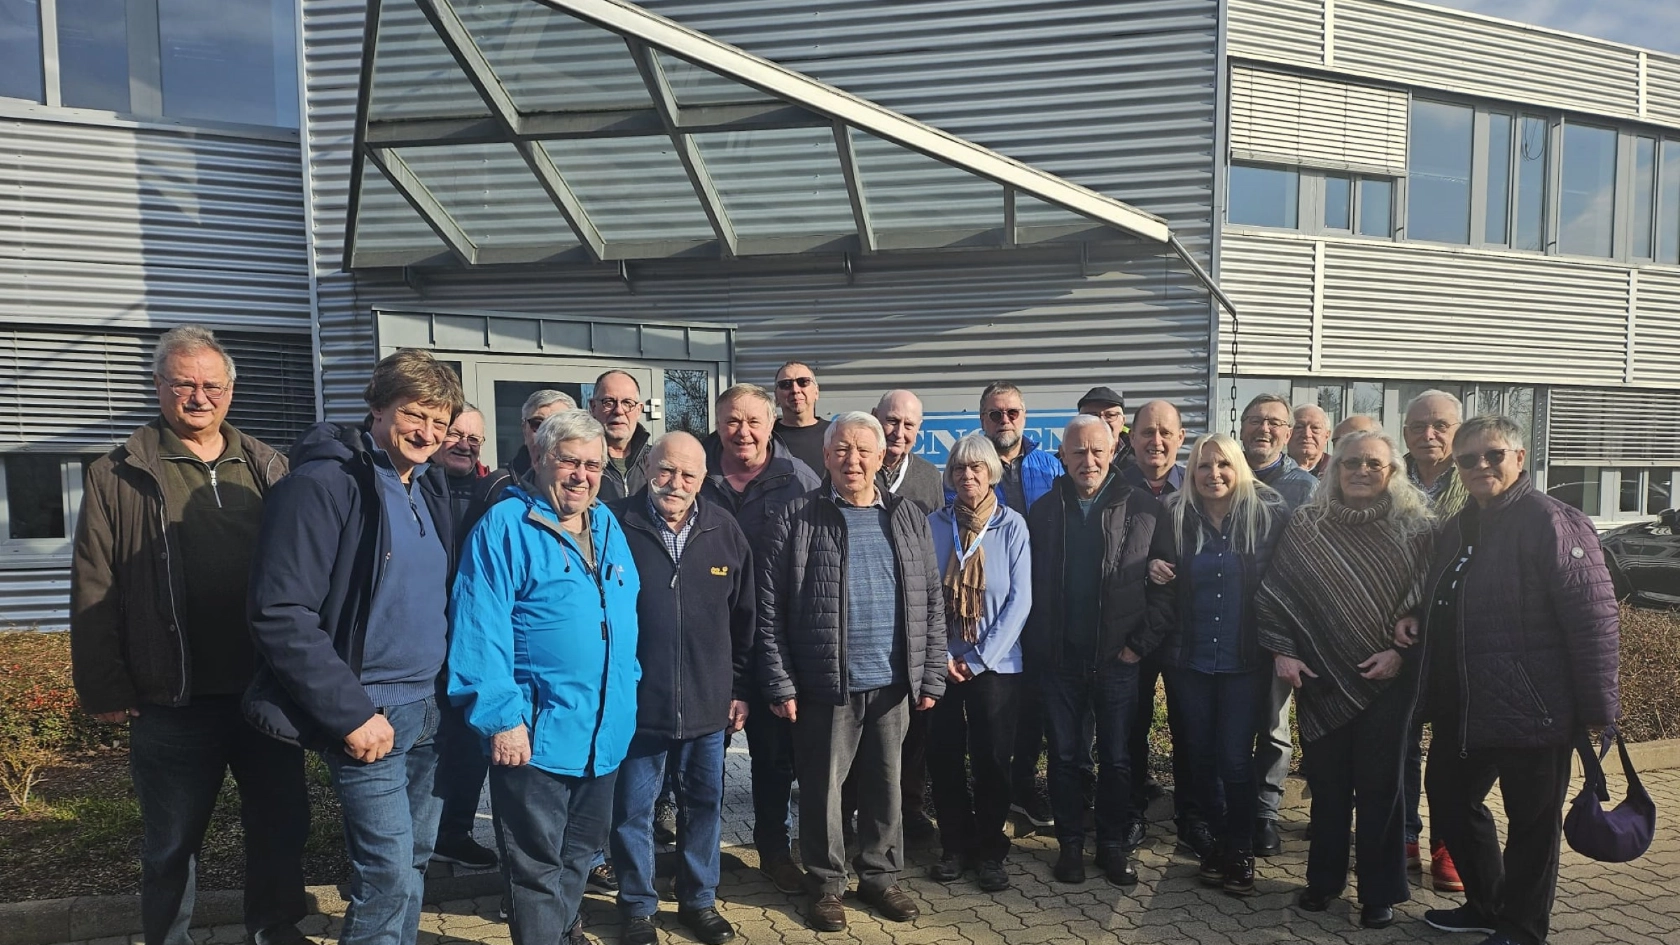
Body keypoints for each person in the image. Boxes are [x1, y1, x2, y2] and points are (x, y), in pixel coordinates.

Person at [70, 325, 308, 945]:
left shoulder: (267, 464)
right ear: (159, 387)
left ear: (230, 391)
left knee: (280, 825)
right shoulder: (116, 474)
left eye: (211, 385)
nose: (198, 397)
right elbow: (95, 582)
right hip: (173, 696)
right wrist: (103, 685)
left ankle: (274, 929)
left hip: (265, 691)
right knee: (173, 841)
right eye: (184, 384)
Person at [245, 349, 464, 945]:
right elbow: (281, 613)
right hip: (369, 712)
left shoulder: (427, 487)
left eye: (440, 422)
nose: (427, 432)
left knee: (415, 858)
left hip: (428, 709)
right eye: (414, 414)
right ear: (376, 408)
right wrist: (352, 713)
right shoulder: (323, 485)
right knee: (388, 872)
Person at [1406, 415, 1619, 945]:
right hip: (1464, 704)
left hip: (1536, 706)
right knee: (1451, 802)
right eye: (1468, 458)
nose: (1481, 466)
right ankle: (1486, 903)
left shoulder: (1552, 521)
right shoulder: (1459, 526)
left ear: (1520, 458)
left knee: (1532, 826)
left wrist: (1599, 708)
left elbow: (1593, 616)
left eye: (1493, 454)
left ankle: (1523, 928)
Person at [447, 410, 641, 945]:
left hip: (603, 735)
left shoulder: (607, 526)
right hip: (533, 738)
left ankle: (558, 932)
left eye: (592, 464)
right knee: (534, 869)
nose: (581, 474)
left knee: (579, 856)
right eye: (568, 461)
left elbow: (624, 622)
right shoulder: (505, 527)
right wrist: (500, 719)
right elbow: (478, 630)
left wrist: (628, 696)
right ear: (539, 459)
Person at [758, 412, 947, 932]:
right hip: (825, 683)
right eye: (842, 450)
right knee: (823, 790)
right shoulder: (797, 516)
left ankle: (881, 877)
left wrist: (930, 674)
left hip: (892, 683)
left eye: (865, 450)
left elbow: (931, 599)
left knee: (887, 786)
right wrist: (779, 679)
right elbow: (770, 607)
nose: (853, 460)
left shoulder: (907, 516)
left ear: (884, 455)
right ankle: (825, 884)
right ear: (826, 457)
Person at [1256, 430, 1435, 930]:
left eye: (1374, 464)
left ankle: (1381, 891)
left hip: (1388, 681)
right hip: (1322, 680)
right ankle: (1323, 882)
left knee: (1382, 791)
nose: (1361, 471)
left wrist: (1405, 648)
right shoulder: (1307, 525)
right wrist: (1285, 654)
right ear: (1334, 470)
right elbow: (1274, 597)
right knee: (1328, 789)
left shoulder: (1417, 530)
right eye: (1351, 463)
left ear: (1393, 472)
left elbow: (1434, 604)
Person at [607, 432, 753, 945]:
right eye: (667, 470)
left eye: (688, 474)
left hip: (708, 705)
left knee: (702, 806)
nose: (676, 483)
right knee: (632, 811)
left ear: (702, 479)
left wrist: (739, 687)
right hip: (637, 705)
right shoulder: (614, 524)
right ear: (648, 466)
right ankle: (638, 907)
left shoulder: (724, 530)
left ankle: (698, 901)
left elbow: (745, 620)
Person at [1024, 415, 1173, 888]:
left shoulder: (1145, 511)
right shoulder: (1044, 512)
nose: (1087, 460)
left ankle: (1111, 846)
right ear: (1062, 457)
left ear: (1112, 453)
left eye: (1096, 451)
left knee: (1117, 760)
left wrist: (1138, 648)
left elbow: (1167, 589)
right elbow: (1029, 586)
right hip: (1061, 661)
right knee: (1065, 758)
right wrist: (1042, 649)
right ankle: (1070, 845)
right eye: (1077, 452)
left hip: (1117, 661)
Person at [1150, 433, 1287, 897]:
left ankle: (1241, 847)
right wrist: (1154, 567)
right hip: (1189, 661)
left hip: (1243, 662)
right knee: (1201, 759)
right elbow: (1156, 568)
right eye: (1204, 467)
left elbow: (1284, 585)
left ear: (1239, 469)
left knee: (1234, 758)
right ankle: (1213, 848)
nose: (1214, 475)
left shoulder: (1265, 516)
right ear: (1191, 474)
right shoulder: (1174, 516)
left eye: (1223, 465)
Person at [701, 383, 820, 895]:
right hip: (708, 645)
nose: (742, 432)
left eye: (753, 421)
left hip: (773, 642)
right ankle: (699, 856)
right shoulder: (695, 474)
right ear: (718, 423)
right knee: (701, 760)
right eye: (731, 421)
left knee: (773, 759)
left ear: (772, 424)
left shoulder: (800, 480)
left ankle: (774, 849)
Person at [925, 434, 1033, 892]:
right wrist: (946, 655)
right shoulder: (933, 524)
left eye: (977, 469)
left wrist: (979, 658)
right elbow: (924, 594)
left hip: (997, 666)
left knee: (991, 760)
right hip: (942, 663)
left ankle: (990, 851)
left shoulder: (1012, 527)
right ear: (950, 476)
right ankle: (954, 846)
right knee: (944, 757)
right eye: (959, 470)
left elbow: (1020, 601)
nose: (967, 477)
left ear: (992, 473)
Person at [977, 381, 1066, 829]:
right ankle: (993, 792)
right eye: (995, 414)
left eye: (1012, 412)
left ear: (1024, 417)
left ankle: (1026, 788)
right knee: (995, 707)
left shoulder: (1050, 465)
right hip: (990, 609)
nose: (1004, 421)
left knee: (1035, 702)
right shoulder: (970, 467)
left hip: (1045, 606)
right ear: (982, 420)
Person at [1118, 400, 1202, 855]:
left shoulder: (1199, 486)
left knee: (1189, 729)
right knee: (1130, 727)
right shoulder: (1113, 485)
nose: (1156, 441)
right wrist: (1142, 566)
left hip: (1184, 631)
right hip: (1131, 634)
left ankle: (1192, 818)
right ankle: (1131, 814)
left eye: (1166, 433)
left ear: (1180, 437)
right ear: (1131, 438)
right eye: (1147, 432)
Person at [1238, 393, 1319, 856]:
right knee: (1228, 724)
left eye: (1274, 423)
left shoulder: (1304, 488)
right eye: (1255, 421)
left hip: (1281, 629)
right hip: (1227, 623)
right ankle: (1226, 806)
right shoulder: (1223, 472)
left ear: (1288, 433)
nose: (1263, 429)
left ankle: (1266, 813)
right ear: (1241, 426)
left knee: (1272, 726)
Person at [1402, 389, 1469, 890]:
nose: (1429, 434)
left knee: (1452, 746)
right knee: (1399, 740)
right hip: (1392, 632)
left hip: (1455, 637)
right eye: (1418, 425)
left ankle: (1449, 843)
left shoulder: (1475, 481)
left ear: (1458, 431)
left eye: (1440, 425)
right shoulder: (1383, 475)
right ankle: (1401, 834)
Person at [432, 405, 501, 872]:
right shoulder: (415, 485)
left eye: (474, 437)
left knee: (468, 747)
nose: (466, 444)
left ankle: (454, 833)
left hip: (472, 638)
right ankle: (423, 839)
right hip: (427, 640)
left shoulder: (492, 491)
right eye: (456, 433)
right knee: (428, 751)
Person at [470, 389, 577, 522]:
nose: (545, 433)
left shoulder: (585, 483)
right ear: (524, 429)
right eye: (538, 424)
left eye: (556, 426)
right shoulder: (497, 485)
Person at [873, 389, 944, 515]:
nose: (899, 433)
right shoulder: (853, 469)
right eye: (892, 421)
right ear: (875, 416)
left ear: (918, 427)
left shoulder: (930, 476)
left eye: (908, 425)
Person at [591, 370, 652, 502]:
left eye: (627, 403)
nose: (618, 410)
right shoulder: (580, 463)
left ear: (639, 410)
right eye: (609, 402)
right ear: (593, 407)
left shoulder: (656, 461)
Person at [771, 360, 830, 472]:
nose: (795, 390)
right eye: (786, 384)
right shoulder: (765, 436)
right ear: (776, 397)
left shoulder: (835, 433)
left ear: (816, 392)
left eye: (803, 382)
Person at [1077, 386, 1136, 470]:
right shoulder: (1059, 462)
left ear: (1122, 422)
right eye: (1092, 416)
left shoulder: (1140, 456)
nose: (1102, 421)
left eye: (1110, 415)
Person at [1288, 404, 1333, 479]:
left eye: (1315, 428)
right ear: (1287, 433)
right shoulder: (1273, 470)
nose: (1306, 434)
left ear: (1327, 436)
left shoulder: (1339, 471)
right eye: (1299, 427)